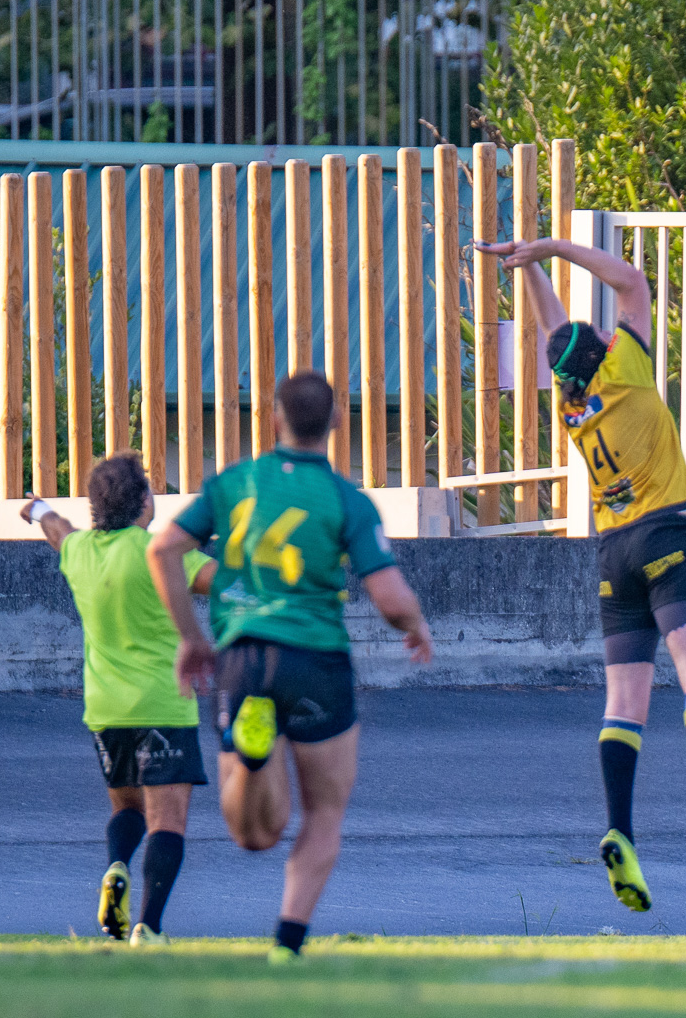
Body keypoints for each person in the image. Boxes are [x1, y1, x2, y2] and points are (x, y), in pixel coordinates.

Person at [474, 235, 686, 914]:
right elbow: (632, 281)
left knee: (625, 702)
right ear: (607, 351)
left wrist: (526, 270)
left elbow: (557, 334)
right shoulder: (630, 369)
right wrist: (551, 245)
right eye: (606, 336)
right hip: (670, 533)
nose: (614, 332)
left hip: (615, 554)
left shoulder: (574, 401)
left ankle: (620, 829)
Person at [147, 370, 433, 963]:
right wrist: (415, 627)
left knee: (252, 835)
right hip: (317, 660)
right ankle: (287, 943)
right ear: (335, 425)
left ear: (274, 418)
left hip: (243, 657)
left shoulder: (233, 484)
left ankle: (254, 760)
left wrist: (192, 638)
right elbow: (391, 599)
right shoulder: (346, 500)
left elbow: (162, 549)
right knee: (325, 812)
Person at [21, 452, 216, 946]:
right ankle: (148, 927)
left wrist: (37, 508)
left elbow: (57, 529)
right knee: (167, 821)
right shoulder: (160, 554)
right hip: (163, 704)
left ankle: (115, 868)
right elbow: (224, 583)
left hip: (105, 711)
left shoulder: (80, 551)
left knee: (126, 808)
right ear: (145, 504)